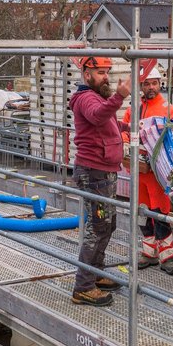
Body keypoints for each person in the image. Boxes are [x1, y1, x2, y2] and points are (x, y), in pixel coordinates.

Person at [69, 56, 131, 306]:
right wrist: (119, 97)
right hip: (93, 172)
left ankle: (96, 273)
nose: (106, 76)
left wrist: (124, 129)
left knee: (107, 224)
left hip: (104, 171)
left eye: (107, 71)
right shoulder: (86, 98)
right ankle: (83, 287)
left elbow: (106, 122)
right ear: (87, 75)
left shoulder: (98, 97)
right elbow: (96, 117)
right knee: (96, 229)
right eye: (101, 73)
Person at [121, 66, 173, 275]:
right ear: (141, 86)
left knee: (161, 214)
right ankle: (149, 253)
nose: (150, 87)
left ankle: (168, 257)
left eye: (154, 83)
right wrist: (125, 144)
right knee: (142, 213)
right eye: (146, 84)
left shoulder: (169, 110)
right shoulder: (133, 109)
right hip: (138, 172)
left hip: (157, 174)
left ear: (160, 84)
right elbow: (124, 131)